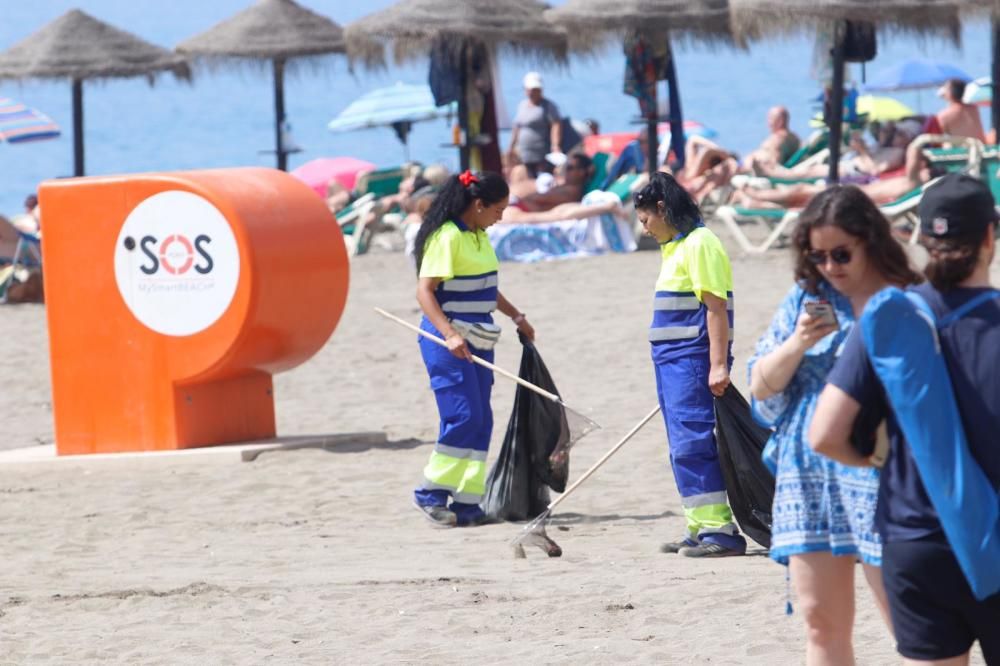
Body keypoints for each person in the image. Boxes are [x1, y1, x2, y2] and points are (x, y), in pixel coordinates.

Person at [811, 173, 1000, 664]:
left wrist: (877, 461)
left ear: (920, 236)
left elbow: (825, 434)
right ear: (989, 236)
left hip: (915, 541)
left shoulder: (892, 317)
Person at [748, 186, 919, 664]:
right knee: (821, 624)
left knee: (910, 628)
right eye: (817, 255)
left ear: (870, 240)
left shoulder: (904, 299)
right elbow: (760, 386)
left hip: (880, 470)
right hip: (808, 474)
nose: (830, 267)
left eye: (841, 253)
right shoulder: (806, 298)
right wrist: (798, 342)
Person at [412, 170, 535, 528]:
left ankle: (467, 502)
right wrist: (449, 334)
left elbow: (486, 289)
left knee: (482, 419)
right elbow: (425, 291)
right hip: (447, 343)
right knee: (463, 416)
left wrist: (517, 316)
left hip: (480, 338)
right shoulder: (446, 237)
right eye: (497, 210)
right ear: (478, 205)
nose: (500, 217)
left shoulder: (480, 237)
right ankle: (431, 493)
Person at [633, 172, 747, 558]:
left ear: (662, 209)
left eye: (646, 220)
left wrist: (718, 364)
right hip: (669, 363)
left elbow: (715, 307)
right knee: (680, 446)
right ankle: (698, 525)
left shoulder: (701, 243)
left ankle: (721, 531)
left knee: (694, 442)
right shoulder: (676, 246)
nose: (645, 229)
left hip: (692, 361)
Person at [507, 72, 561, 178]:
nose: (533, 93)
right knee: (529, 177)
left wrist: (555, 145)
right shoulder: (522, 105)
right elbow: (517, 127)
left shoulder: (548, 106)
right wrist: (512, 146)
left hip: (541, 153)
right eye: (530, 90)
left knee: (543, 178)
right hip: (525, 153)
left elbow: (556, 125)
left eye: (536, 90)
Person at [506, 152, 593, 213]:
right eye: (566, 167)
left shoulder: (573, 191)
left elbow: (542, 199)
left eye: (570, 168)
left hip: (524, 211)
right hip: (520, 207)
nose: (566, 171)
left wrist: (522, 199)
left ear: (582, 172)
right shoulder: (567, 187)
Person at [935, 79, 986, 143]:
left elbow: (936, 136)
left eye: (945, 88)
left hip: (963, 151)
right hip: (980, 148)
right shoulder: (973, 109)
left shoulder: (944, 115)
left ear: (949, 93)